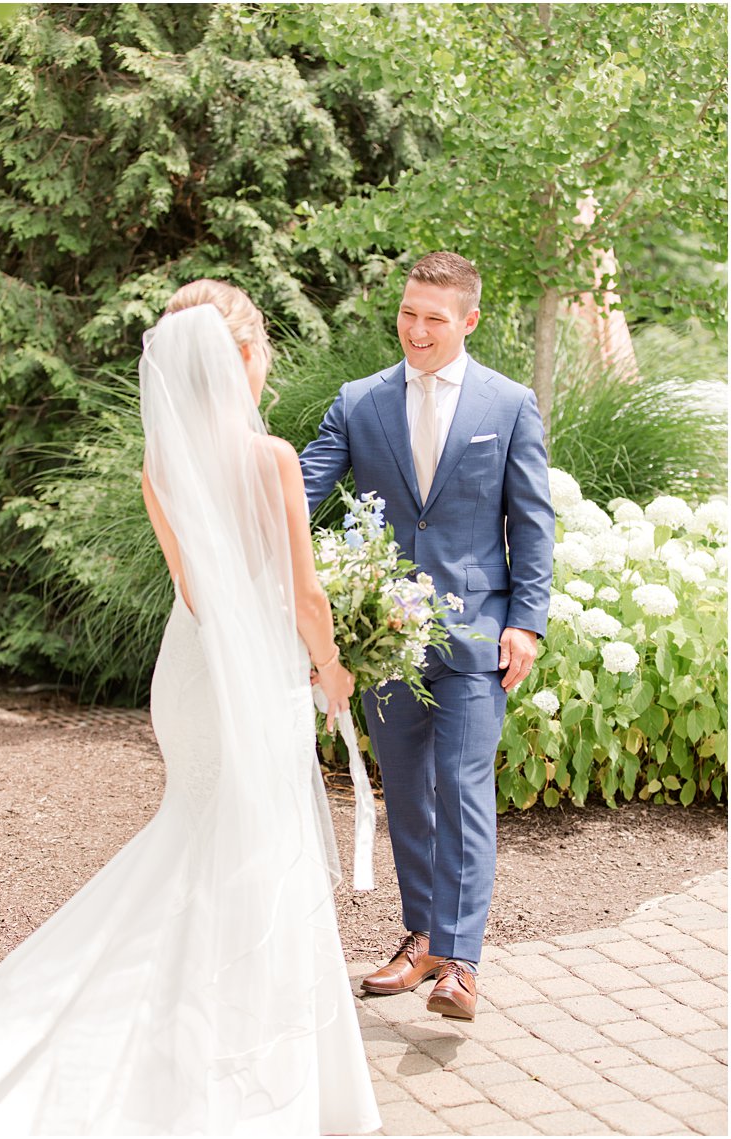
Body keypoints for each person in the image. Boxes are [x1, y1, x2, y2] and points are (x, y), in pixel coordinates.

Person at [0, 281, 380, 1135]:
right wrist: (332, 667)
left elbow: (198, 594)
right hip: (247, 682)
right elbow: (304, 596)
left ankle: (170, 1034)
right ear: (238, 358)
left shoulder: (163, 466)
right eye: (261, 350)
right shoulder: (268, 458)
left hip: (190, 674)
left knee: (197, 844)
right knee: (254, 858)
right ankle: (229, 1070)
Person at [299, 251, 553, 1022]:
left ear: (468, 321)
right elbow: (299, 492)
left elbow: (532, 521)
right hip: (383, 637)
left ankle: (461, 962)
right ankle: (422, 940)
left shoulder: (508, 405)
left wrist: (527, 621)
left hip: (478, 635)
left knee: (466, 789)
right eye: (408, 314)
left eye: (433, 318)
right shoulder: (359, 401)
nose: (415, 330)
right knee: (408, 789)